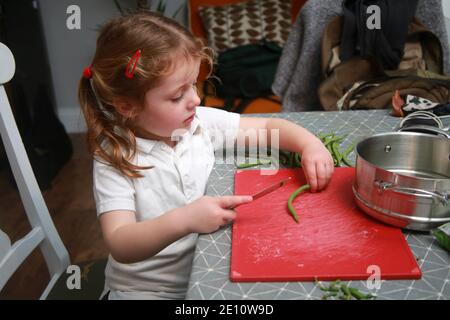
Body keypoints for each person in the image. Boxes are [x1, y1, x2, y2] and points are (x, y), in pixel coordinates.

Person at [78, 11, 334, 300]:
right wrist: (186, 219)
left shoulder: (199, 123)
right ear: (127, 107)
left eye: (193, 85)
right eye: (177, 95)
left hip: (208, 268)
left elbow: (265, 126)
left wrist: (308, 144)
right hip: (146, 291)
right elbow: (121, 242)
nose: (195, 99)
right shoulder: (114, 157)